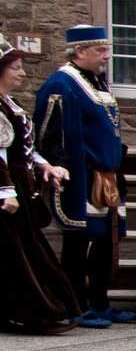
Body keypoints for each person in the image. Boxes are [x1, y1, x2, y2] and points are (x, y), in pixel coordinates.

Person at [34, 25, 131, 325]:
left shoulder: (98, 82)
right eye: (100, 50)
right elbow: (48, 132)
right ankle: (75, 304)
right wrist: (60, 165)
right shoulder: (61, 84)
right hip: (82, 173)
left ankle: (100, 302)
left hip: (108, 173)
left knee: (105, 241)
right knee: (79, 241)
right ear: (79, 51)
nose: (107, 55)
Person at [0, 34, 81, 334]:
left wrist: (46, 165)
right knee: (16, 254)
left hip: (20, 184)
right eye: (16, 68)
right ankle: (33, 311)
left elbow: (23, 148)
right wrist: (6, 191)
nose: (22, 73)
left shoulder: (11, 103)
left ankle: (30, 309)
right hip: (7, 188)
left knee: (24, 250)